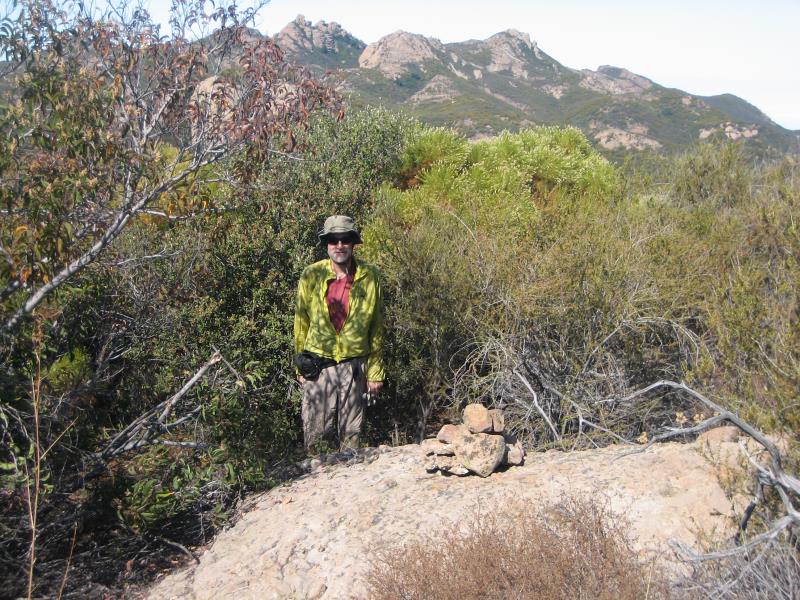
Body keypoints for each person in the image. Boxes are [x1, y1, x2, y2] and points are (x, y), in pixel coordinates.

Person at [293, 215, 385, 451]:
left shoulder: (369, 275)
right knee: (316, 435)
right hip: (317, 366)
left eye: (345, 239)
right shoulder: (311, 275)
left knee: (351, 436)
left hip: (354, 366)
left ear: (353, 243)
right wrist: (299, 366)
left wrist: (375, 373)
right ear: (326, 244)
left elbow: (376, 326)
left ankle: (349, 483)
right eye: (334, 240)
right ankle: (316, 484)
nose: (339, 245)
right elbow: (301, 321)